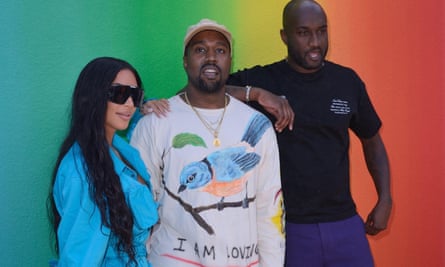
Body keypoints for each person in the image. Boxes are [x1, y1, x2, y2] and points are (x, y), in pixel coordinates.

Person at [226, 1, 393, 266]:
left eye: (321, 31)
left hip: (344, 223)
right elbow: (200, 93)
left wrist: (385, 198)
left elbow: (372, 141)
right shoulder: (266, 79)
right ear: (285, 36)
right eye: (304, 32)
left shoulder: (347, 81)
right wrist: (256, 93)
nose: (315, 42)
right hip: (289, 228)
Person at [130, 19, 285, 266]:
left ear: (230, 61)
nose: (211, 57)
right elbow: (137, 207)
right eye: (200, 50)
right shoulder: (155, 124)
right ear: (185, 60)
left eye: (220, 50)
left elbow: (269, 208)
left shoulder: (260, 125)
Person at [48, 57, 158, 266]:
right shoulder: (83, 173)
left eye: (135, 95)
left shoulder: (120, 148)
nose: (129, 104)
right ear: (93, 96)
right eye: (119, 93)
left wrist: (149, 105)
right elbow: (79, 260)